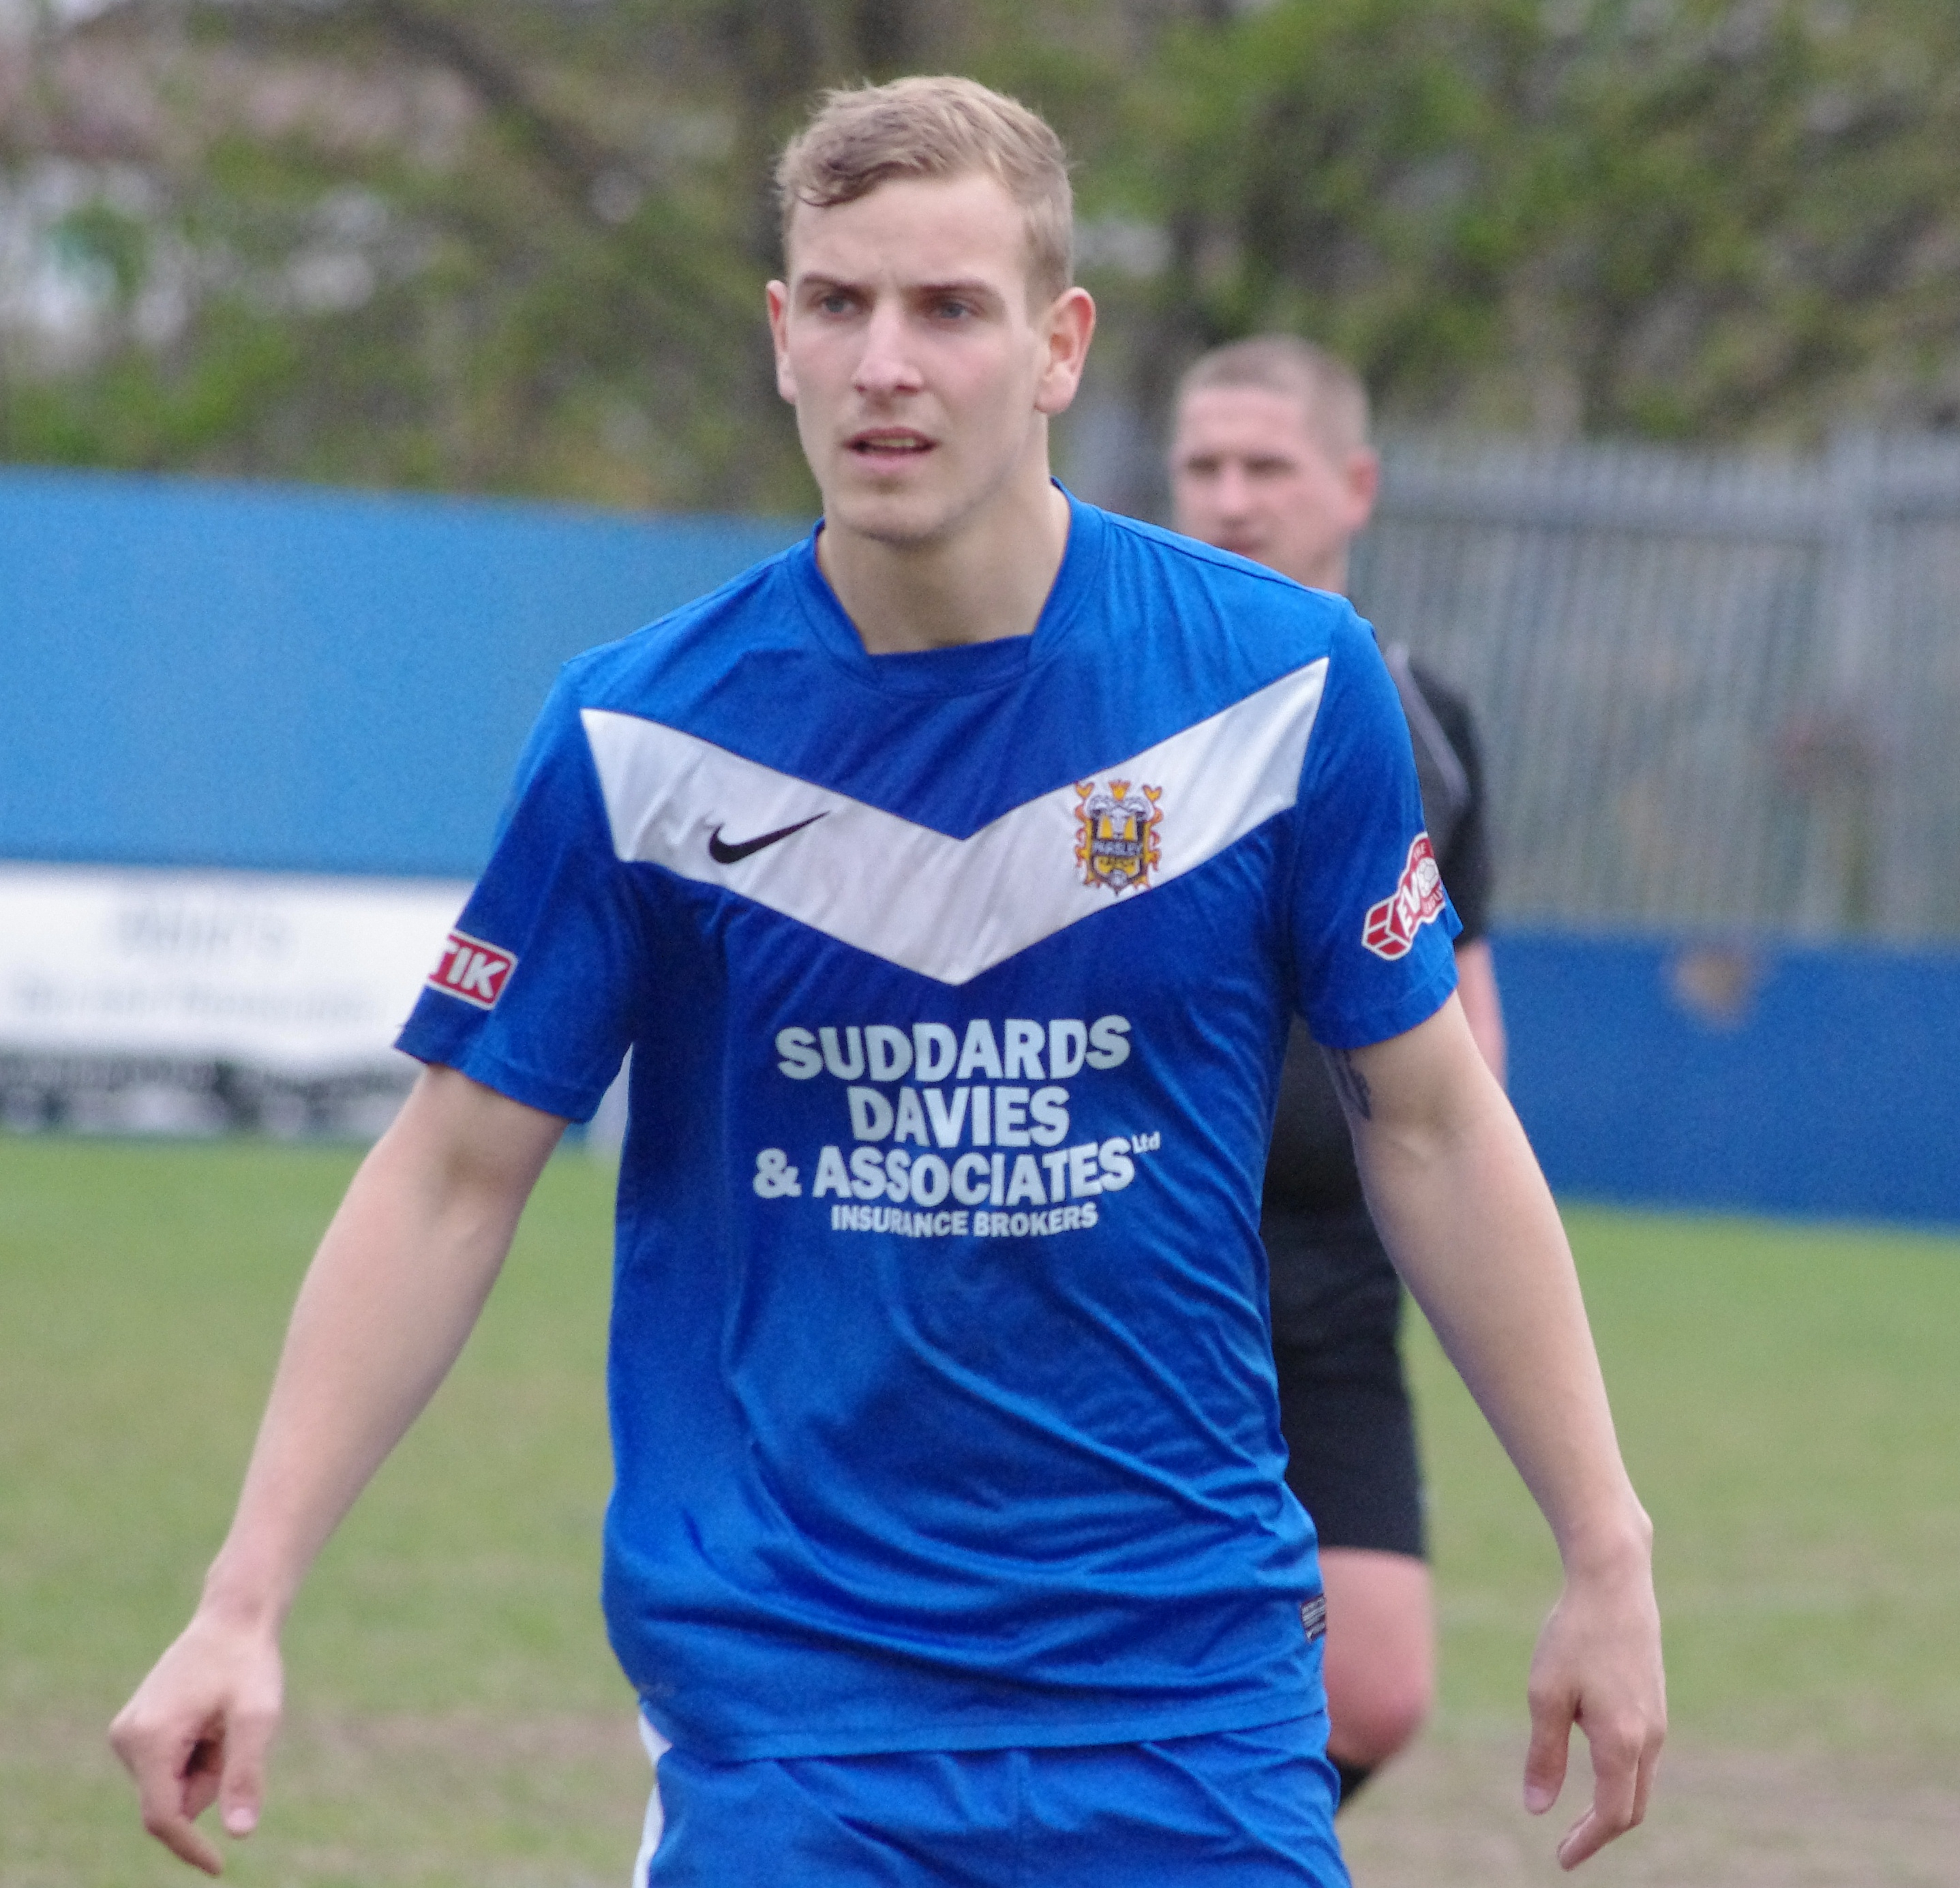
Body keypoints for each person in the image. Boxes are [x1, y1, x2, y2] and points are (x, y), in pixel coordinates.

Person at [110, 76, 1663, 1887]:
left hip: (1188, 1706)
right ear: (779, 338)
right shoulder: (642, 735)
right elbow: (451, 1173)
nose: (883, 364)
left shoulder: (1282, 689)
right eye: (836, 305)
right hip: (792, 1721)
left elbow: (1435, 1129)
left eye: (947, 308)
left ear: (1059, 344)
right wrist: (242, 1595)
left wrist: (1604, 1550)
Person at [1168, 335, 1504, 1808]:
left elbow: (1462, 1006)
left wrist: (1474, 1221)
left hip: (1338, 1269)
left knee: (1374, 1682)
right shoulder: (1127, 694)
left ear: (1351, 486)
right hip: (1164, 1248)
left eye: (1267, 467)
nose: (1231, 498)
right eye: (1202, 467)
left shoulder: (1421, 717)